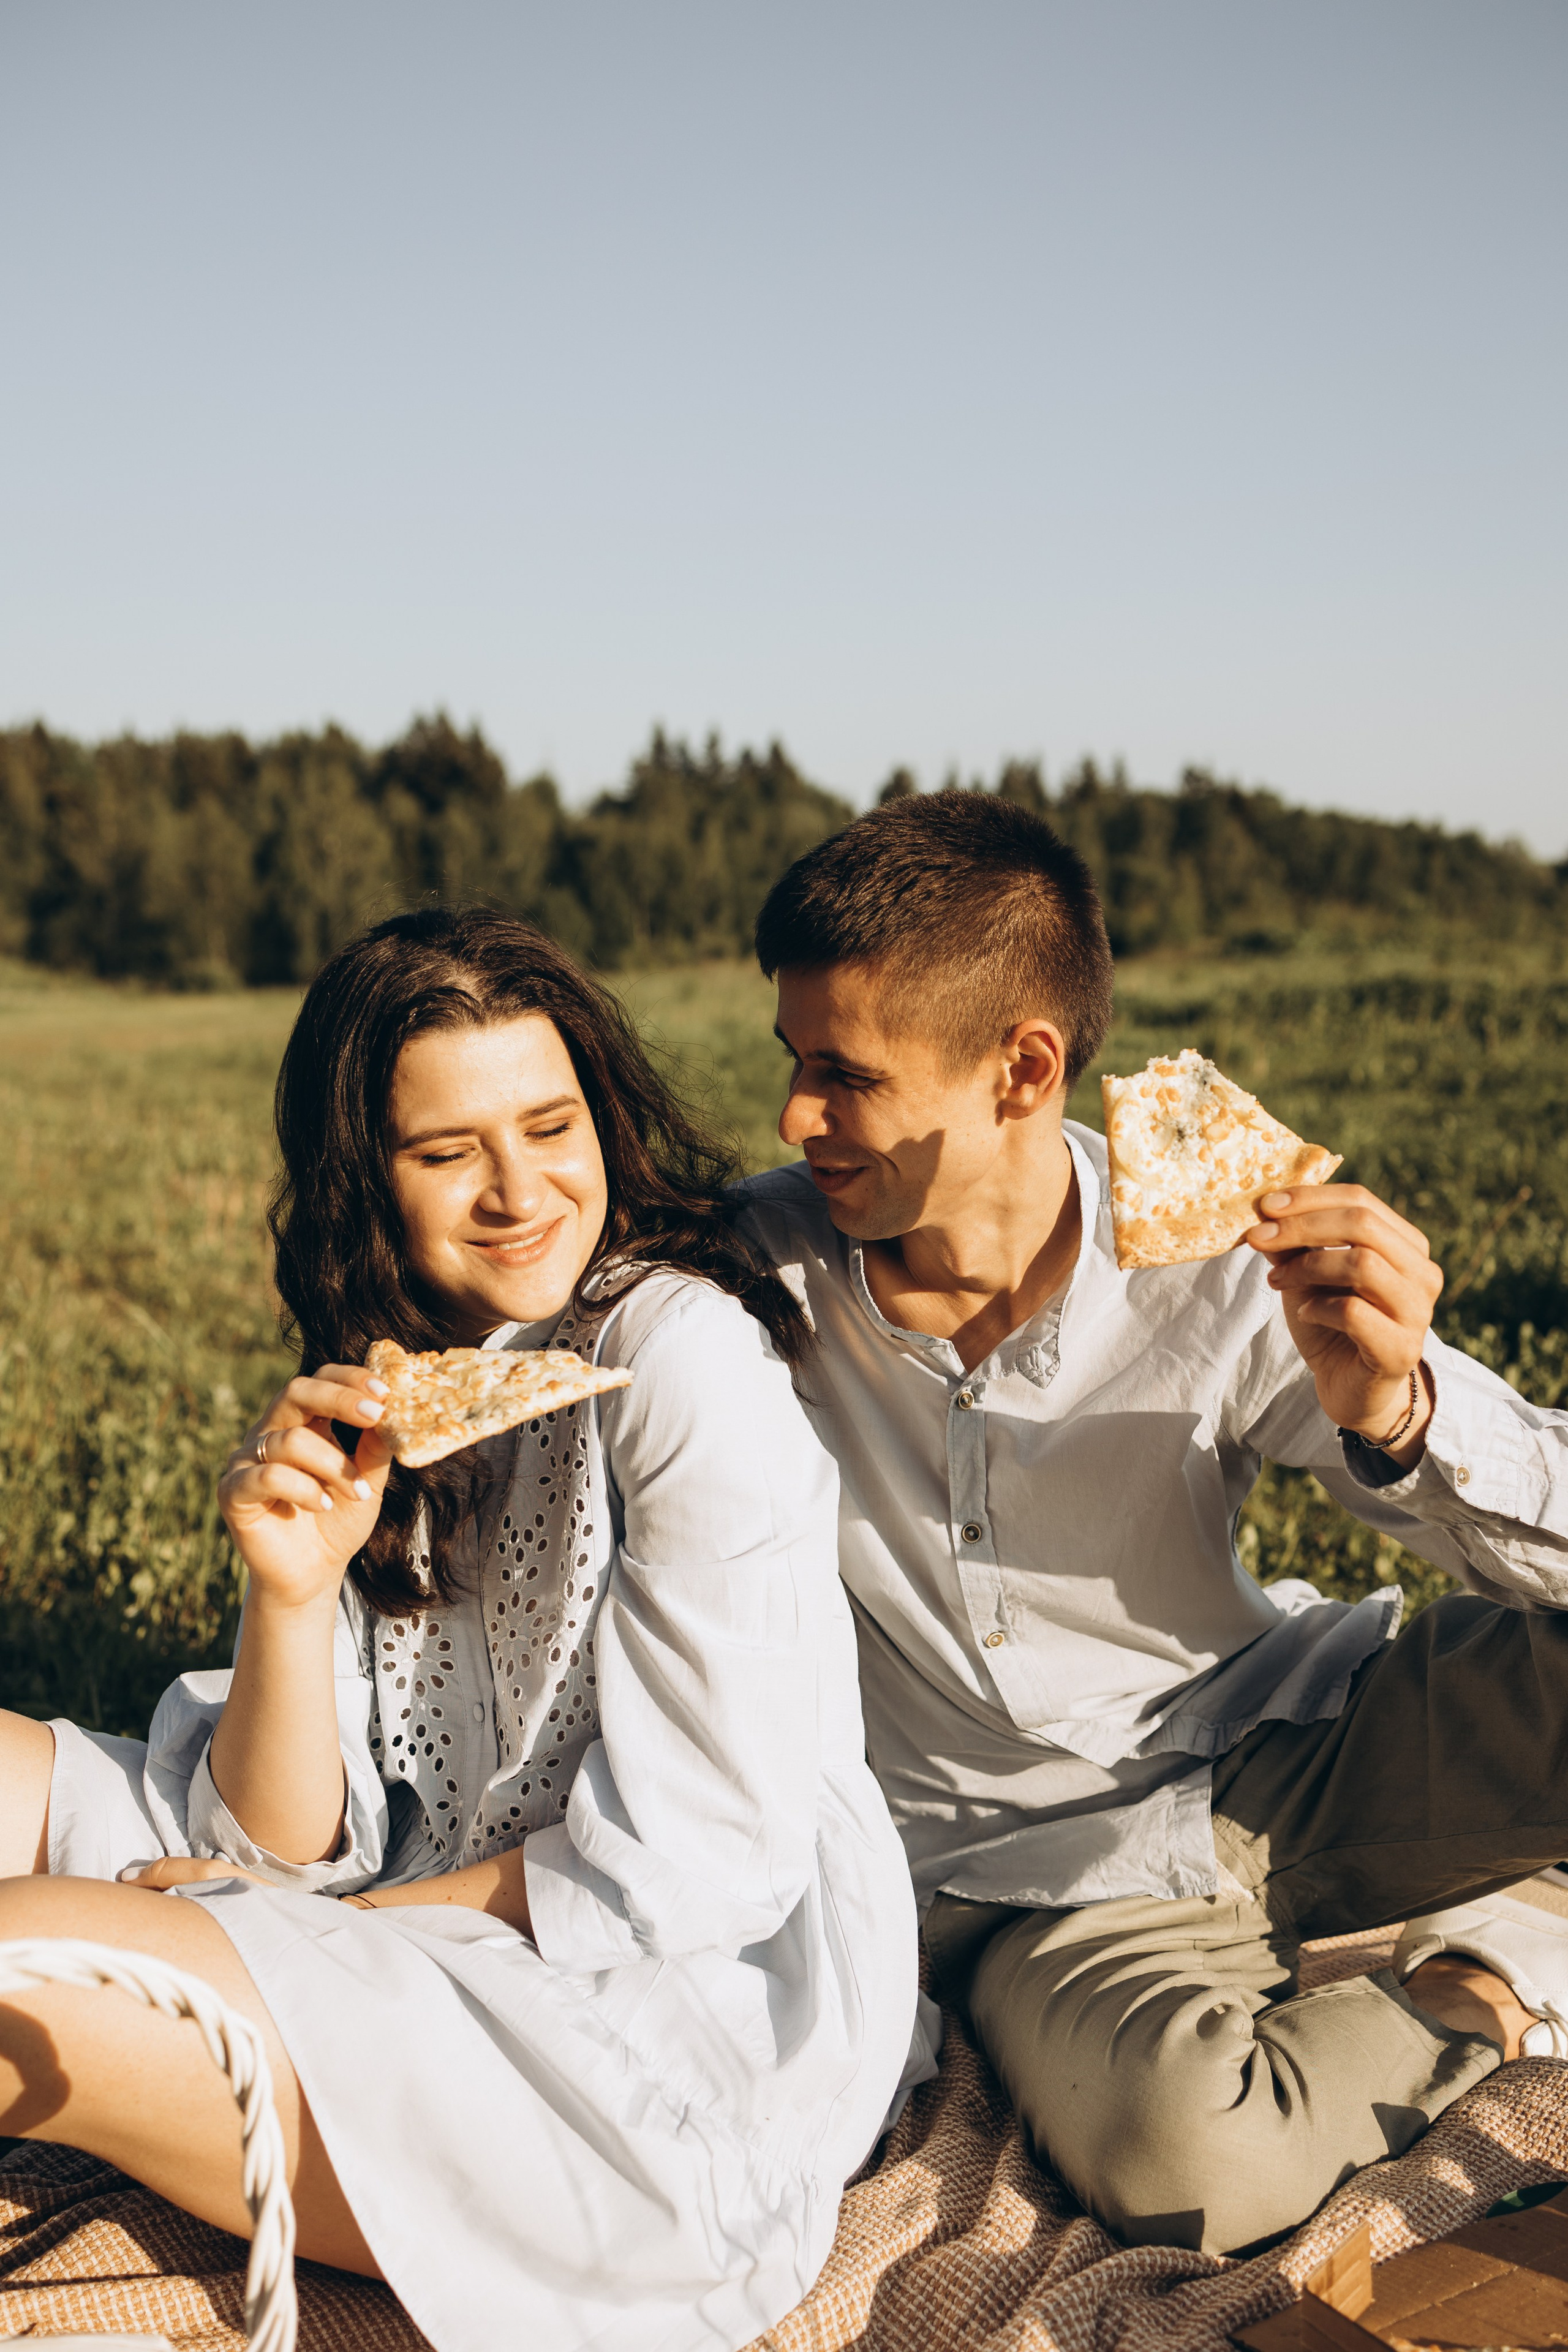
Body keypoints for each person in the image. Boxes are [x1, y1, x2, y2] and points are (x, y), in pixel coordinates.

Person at [0, 907, 919, 2352]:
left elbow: (695, 1870)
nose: (518, 1192)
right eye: (447, 1153)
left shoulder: (681, 1358)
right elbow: (272, 1845)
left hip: (645, 2067)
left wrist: (298, 1927)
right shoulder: (405, 1374)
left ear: (602, 1118)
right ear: (367, 1177)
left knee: (23, 1963)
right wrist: (292, 1591)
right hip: (403, 1912)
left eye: (550, 1127)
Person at [737, 789, 1568, 2258]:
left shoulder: (1214, 1256)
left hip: (1287, 1749)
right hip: (1031, 1876)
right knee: (1190, 2161)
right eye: (792, 1062)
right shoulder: (743, 1287)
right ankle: (1483, 1977)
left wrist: (1400, 1411)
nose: (794, 1117)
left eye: (841, 1075)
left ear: (1021, 1068)